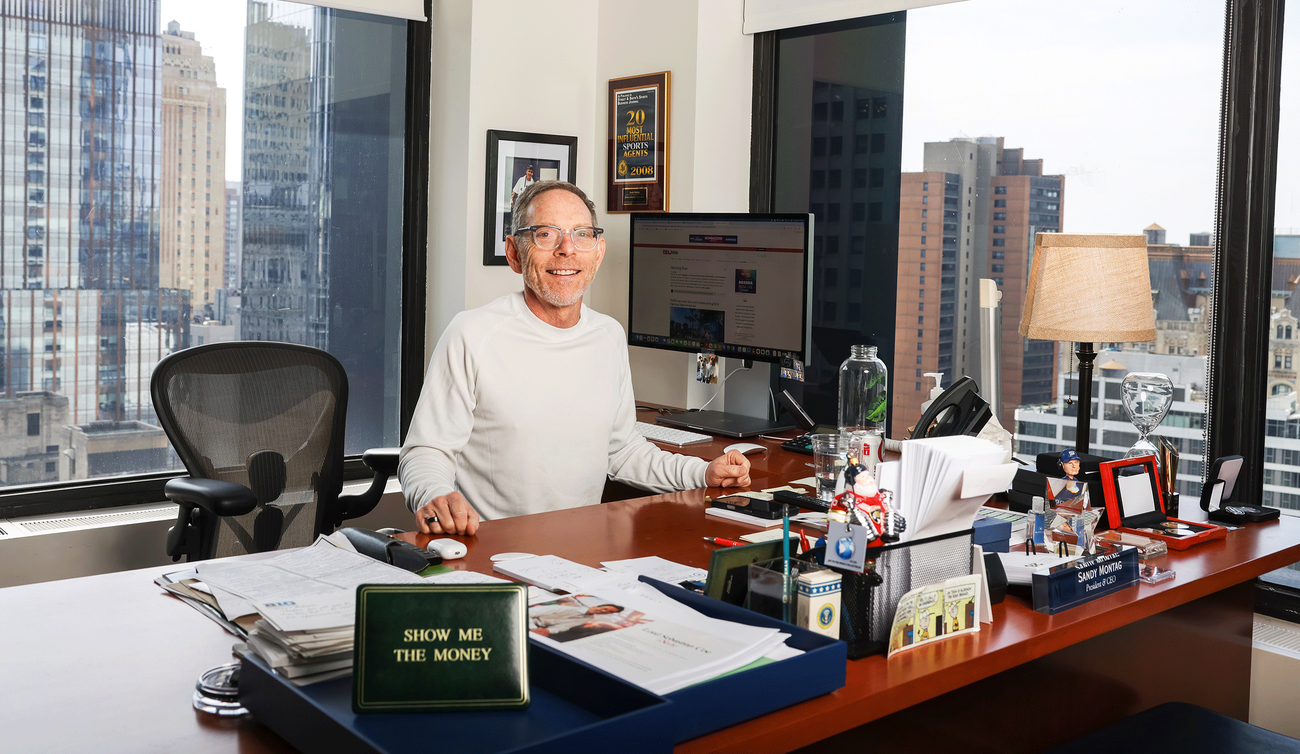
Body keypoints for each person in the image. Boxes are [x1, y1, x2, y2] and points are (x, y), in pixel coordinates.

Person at [400, 181, 752, 535]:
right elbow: (425, 451)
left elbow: (623, 451)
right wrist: (435, 494)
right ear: (514, 253)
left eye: (581, 234)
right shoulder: (472, 334)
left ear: (597, 253)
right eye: (546, 234)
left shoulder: (609, 336)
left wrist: (703, 472)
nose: (566, 250)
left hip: (580, 555)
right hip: (490, 551)